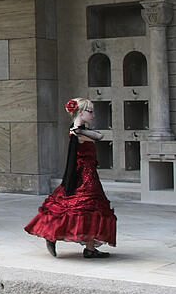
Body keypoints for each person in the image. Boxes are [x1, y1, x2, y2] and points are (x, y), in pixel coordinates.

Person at [24, 97, 117, 258]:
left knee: (92, 209)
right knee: (79, 208)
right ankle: (51, 235)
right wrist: (79, 130)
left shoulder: (79, 130)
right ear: (81, 112)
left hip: (90, 174)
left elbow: (96, 135)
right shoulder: (77, 132)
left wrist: (79, 129)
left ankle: (90, 248)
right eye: (90, 112)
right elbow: (99, 136)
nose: (93, 115)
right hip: (84, 176)